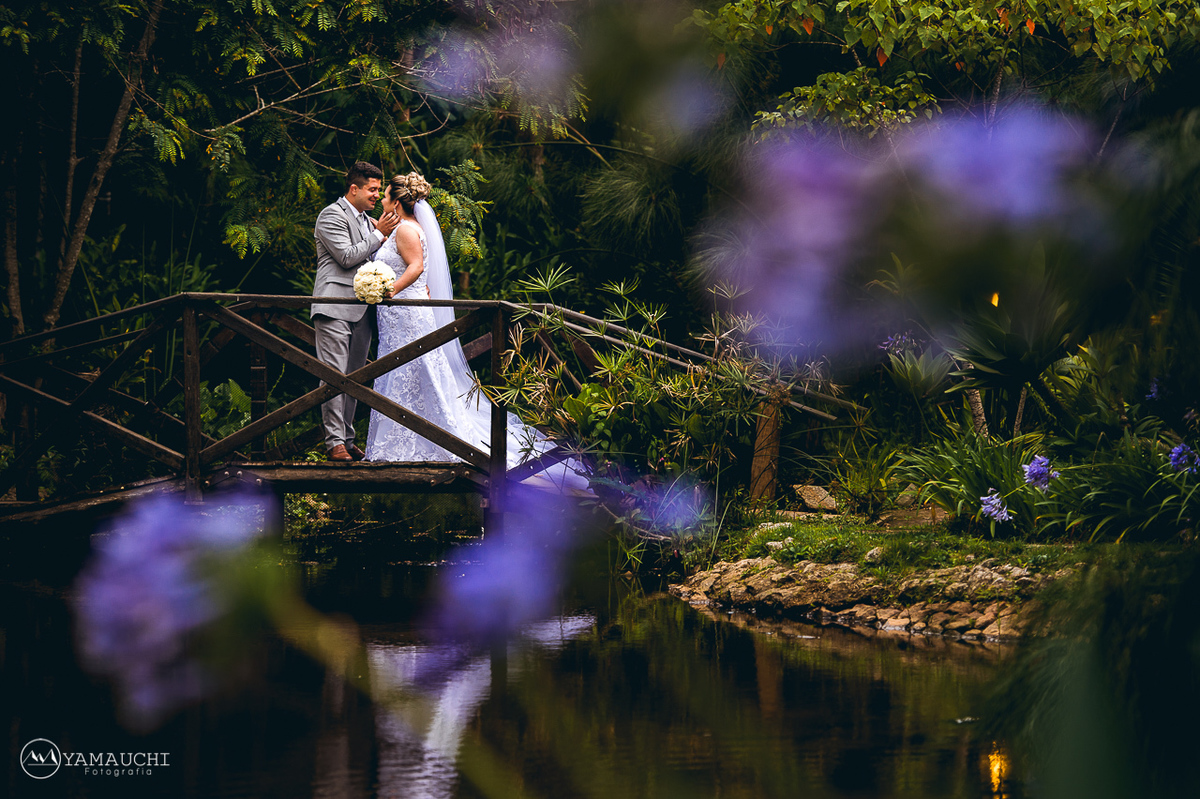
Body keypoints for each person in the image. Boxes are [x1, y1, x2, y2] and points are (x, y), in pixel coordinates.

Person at [364, 172, 589, 493]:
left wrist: (389, 290)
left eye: (386, 196)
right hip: (399, 316)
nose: (383, 201)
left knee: (416, 372)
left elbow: (414, 268)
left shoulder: (406, 231)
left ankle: (434, 440)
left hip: (407, 314)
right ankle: (403, 440)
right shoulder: (402, 228)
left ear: (397, 202)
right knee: (403, 373)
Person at [312, 161, 400, 462]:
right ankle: (334, 443)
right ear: (354, 188)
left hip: (362, 309)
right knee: (333, 375)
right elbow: (347, 257)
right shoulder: (331, 215)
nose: (377, 195)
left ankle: (348, 440)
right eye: (372, 189)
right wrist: (378, 235)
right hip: (334, 305)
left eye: (378, 190)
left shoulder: (367, 220)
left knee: (354, 378)